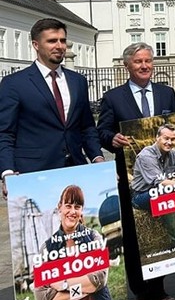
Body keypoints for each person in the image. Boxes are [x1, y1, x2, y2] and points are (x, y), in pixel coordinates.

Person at [97, 42, 175, 300]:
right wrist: (113, 139)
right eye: (138, 62)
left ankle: (160, 289)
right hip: (132, 177)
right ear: (127, 66)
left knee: (160, 226)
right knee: (133, 234)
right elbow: (102, 132)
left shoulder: (167, 93)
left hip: (163, 174)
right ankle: (140, 293)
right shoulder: (113, 97)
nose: (144, 66)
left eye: (148, 61)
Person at [0, 18, 104, 194]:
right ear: (36, 45)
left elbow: (86, 127)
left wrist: (97, 158)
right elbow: (5, 133)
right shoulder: (14, 83)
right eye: (52, 41)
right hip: (33, 173)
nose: (59, 46)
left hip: (76, 169)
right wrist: (7, 172)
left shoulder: (78, 81)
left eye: (62, 40)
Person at [34, 185, 113, 300]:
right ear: (60, 207)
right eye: (68, 206)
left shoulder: (93, 238)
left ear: (82, 210)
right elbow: (42, 299)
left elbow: (100, 278)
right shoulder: (47, 248)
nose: (72, 211)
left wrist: (63, 284)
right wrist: (86, 287)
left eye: (77, 207)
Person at [129, 124, 175, 251]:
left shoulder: (172, 154)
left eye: (172, 139)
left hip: (161, 189)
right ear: (157, 138)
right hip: (141, 195)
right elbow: (160, 182)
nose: (169, 142)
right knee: (164, 194)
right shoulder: (146, 156)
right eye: (166, 138)